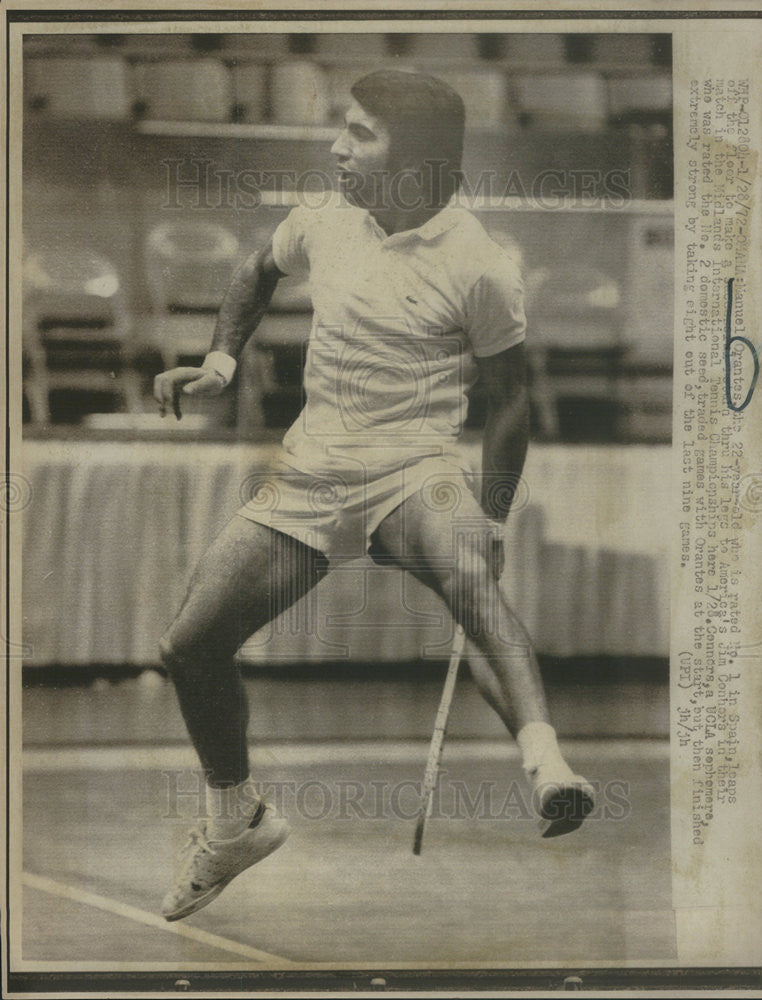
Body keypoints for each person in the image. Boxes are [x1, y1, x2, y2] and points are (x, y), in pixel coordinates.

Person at [154, 70, 595, 923]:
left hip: (412, 471)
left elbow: (509, 404)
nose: (337, 147)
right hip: (312, 472)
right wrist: (218, 362)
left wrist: (494, 516)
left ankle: (548, 767)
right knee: (189, 646)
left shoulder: (481, 266)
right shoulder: (324, 219)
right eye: (342, 129)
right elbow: (254, 271)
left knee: (471, 580)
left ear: (419, 163)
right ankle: (233, 819)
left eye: (360, 134)